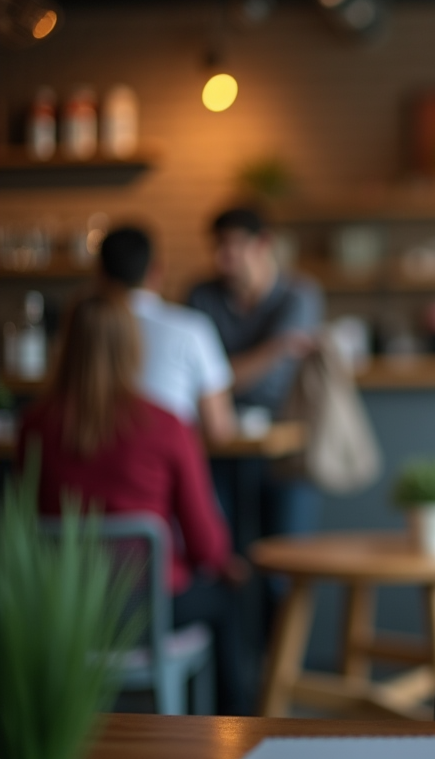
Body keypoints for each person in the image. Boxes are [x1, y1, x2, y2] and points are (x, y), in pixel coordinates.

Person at [19, 292, 250, 715]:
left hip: (63, 607)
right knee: (228, 598)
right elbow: (204, 544)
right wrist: (224, 564)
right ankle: (236, 731)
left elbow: (25, 520)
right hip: (148, 608)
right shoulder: (166, 425)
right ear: (132, 347)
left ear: (65, 346)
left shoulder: (34, 425)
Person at [187, 207, 324, 540]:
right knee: (222, 549)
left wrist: (220, 372)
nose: (222, 258)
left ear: (263, 244)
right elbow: (198, 377)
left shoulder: (299, 295)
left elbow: (214, 378)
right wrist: (275, 348)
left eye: (231, 247)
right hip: (218, 443)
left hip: (285, 444)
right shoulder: (201, 296)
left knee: (286, 552)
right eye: (217, 247)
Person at [98, 225, 237, 444]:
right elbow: (218, 427)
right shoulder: (192, 328)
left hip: (94, 465)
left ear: (100, 276)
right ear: (156, 271)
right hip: (167, 468)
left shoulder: (85, 331)